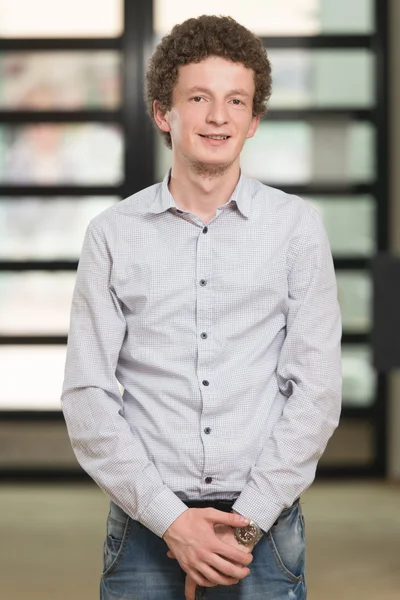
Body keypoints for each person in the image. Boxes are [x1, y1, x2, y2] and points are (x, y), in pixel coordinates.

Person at [61, 14, 342, 600]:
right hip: (144, 530)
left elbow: (316, 392)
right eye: (200, 97)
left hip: (263, 532)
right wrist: (173, 522)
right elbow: (88, 397)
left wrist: (242, 529)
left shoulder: (297, 230)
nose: (219, 116)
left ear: (254, 119)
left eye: (236, 100)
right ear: (165, 113)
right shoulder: (111, 235)